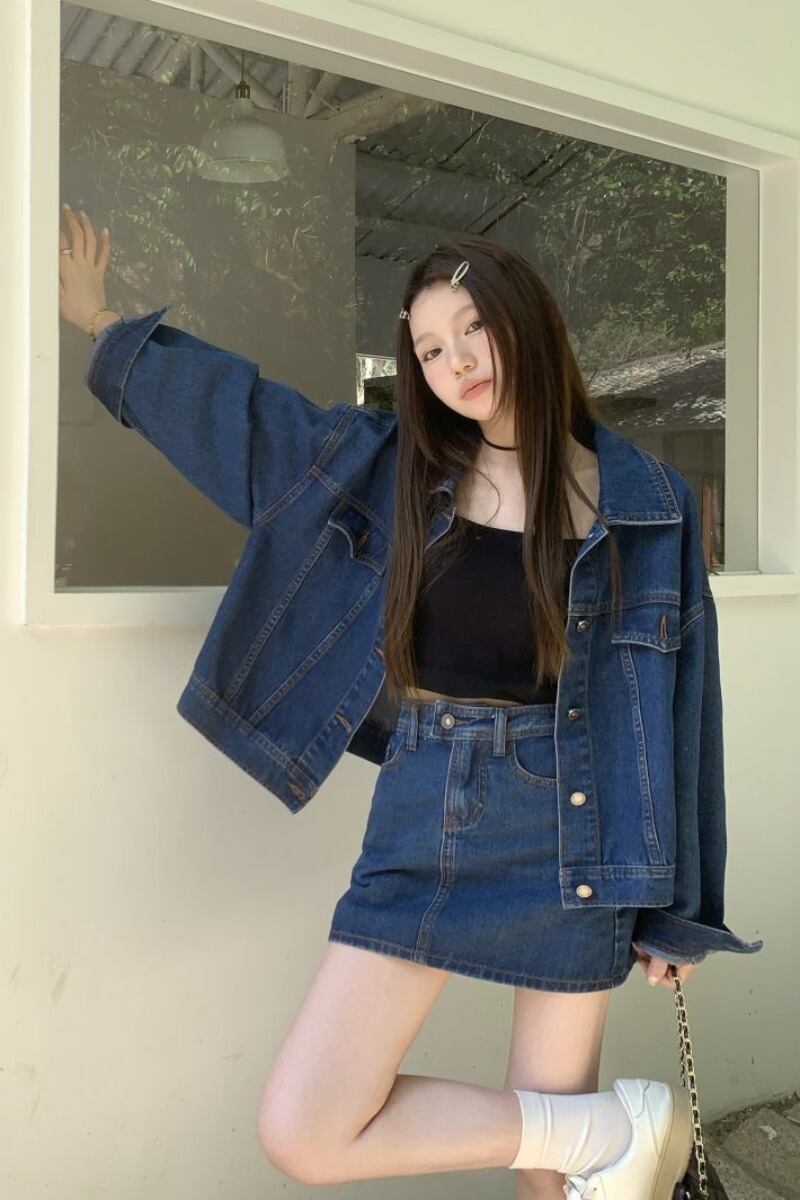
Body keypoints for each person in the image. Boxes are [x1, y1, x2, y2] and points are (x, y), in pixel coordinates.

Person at [59, 205, 763, 1199]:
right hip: (430, 802)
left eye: (472, 329)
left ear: (527, 320)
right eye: (429, 349)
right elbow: (241, 418)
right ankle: (615, 1129)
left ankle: (598, 1137)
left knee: (548, 1177)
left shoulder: (647, 501)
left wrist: (681, 912)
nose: (455, 361)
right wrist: (102, 324)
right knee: (309, 1129)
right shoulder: (385, 467)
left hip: (581, 828)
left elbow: (685, 708)